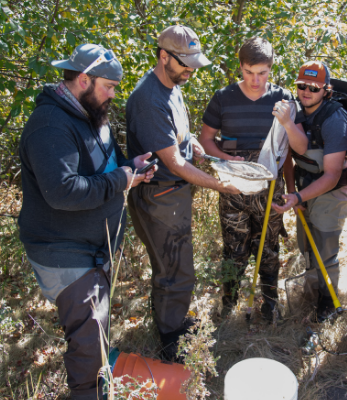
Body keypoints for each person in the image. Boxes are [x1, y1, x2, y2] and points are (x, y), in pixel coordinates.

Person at [18, 44, 156, 400]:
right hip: (66, 253)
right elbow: (62, 192)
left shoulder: (91, 111)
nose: (113, 94)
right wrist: (121, 180)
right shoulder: (50, 125)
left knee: (94, 337)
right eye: (108, 86)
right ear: (83, 79)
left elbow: (105, 161)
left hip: (94, 249)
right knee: (88, 347)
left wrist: (130, 164)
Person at [126, 25, 239, 361]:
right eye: (185, 63)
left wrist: (196, 147)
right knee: (175, 269)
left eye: (193, 62)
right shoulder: (148, 99)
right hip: (160, 196)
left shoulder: (172, 85)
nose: (191, 69)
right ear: (164, 57)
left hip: (175, 195)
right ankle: (169, 340)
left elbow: (178, 137)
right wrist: (219, 184)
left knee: (176, 266)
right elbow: (173, 163)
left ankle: (173, 321)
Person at [199, 37, 306, 321]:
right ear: (240, 67)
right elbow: (207, 140)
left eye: (262, 73)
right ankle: (228, 303)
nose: (255, 80)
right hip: (233, 185)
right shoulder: (223, 98)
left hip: (270, 187)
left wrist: (292, 191)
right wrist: (225, 159)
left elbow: (295, 150)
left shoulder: (283, 100)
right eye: (249, 72)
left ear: (271, 68)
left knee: (268, 247)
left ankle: (270, 303)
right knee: (234, 248)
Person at [271, 61, 347, 320]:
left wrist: (297, 197)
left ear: (326, 90)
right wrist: (295, 193)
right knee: (306, 247)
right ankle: (311, 298)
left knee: (324, 251)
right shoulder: (294, 112)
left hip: (331, 191)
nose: (306, 91)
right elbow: (287, 157)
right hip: (305, 186)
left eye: (314, 88)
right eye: (301, 86)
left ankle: (328, 307)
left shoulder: (335, 119)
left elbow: (332, 175)